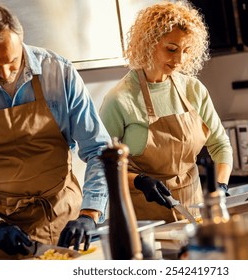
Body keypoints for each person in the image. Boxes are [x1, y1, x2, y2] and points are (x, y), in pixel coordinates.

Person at [0, 3, 111, 259]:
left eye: (13, 61)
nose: (5, 73)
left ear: (22, 37)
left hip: (66, 223)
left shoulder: (59, 73)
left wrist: (90, 214)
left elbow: (99, 150)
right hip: (2, 234)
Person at [99, 1, 233, 223]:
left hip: (194, 213)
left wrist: (220, 186)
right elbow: (102, 166)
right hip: (144, 218)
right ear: (149, 43)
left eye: (186, 51)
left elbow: (220, 145)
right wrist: (139, 181)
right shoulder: (120, 100)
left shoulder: (193, 90)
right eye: (171, 49)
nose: (179, 60)